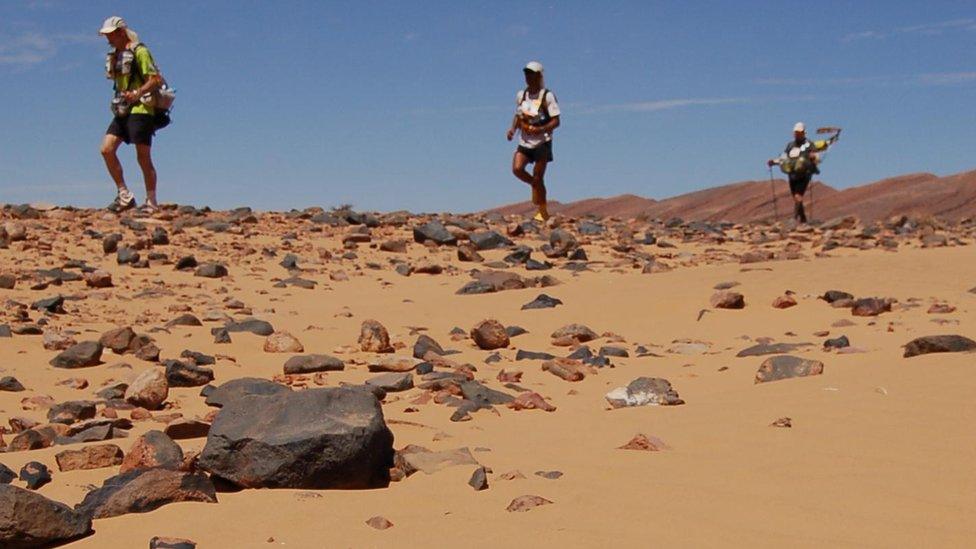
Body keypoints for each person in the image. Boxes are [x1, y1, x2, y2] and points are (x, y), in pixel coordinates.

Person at [99, 16, 164, 214]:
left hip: (141, 109)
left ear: (120, 32)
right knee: (106, 149)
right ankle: (125, 195)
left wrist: (137, 93)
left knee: (143, 156)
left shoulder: (140, 51)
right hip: (123, 110)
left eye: (110, 34)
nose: (108, 38)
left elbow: (156, 79)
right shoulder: (115, 55)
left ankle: (151, 201)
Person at [507, 61, 561, 222]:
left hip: (541, 142)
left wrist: (541, 129)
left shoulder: (547, 96)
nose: (528, 78)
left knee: (539, 176)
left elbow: (556, 120)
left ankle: (542, 210)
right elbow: (519, 115)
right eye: (526, 74)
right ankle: (534, 186)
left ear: (539, 76)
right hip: (524, 141)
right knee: (517, 169)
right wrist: (512, 129)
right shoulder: (521, 96)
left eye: (532, 74)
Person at [767, 122, 832, 223]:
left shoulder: (809, 144)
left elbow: (815, 155)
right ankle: (803, 219)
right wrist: (774, 162)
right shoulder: (790, 145)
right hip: (792, 174)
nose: (797, 134)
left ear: (803, 133)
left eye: (799, 132)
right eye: (796, 132)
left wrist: (813, 157)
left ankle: (794, 218)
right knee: (796, 197)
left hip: (804, 174)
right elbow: (784, 157)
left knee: (798, 196)